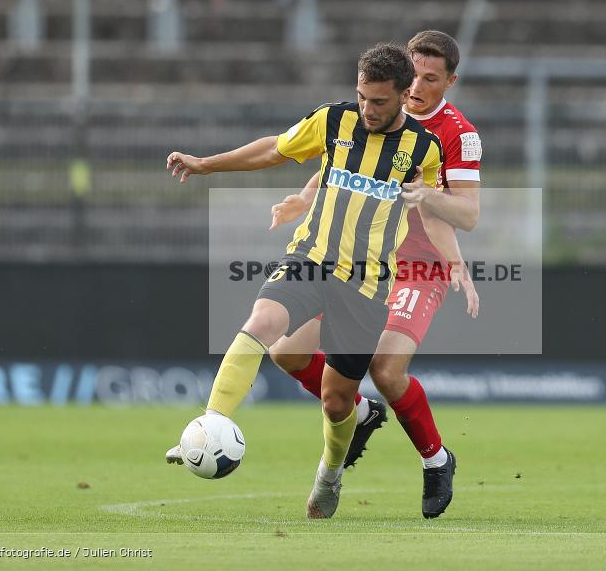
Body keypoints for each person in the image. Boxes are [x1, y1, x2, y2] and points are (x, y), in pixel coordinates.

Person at [165, 43, 475, 518]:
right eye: (361, 97)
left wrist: (454, 262)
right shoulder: (335, 121)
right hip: (310, 259)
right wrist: (207, 164)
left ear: (400, 95)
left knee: (336, 400)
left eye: (378, 102)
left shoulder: (424, 148)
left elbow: (430, 213)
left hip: (367, 285)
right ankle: (213, 421)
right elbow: (275, 147)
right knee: (264, 322)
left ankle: (330, 474)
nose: (367, 110)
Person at [267, 30, 482, 517]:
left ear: (451, 81)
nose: (418, 88)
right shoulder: (376, 108)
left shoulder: (457, 135)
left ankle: (436, 460)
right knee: (286, 350)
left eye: (432, 79)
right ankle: (359, 414)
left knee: (386, 370)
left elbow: (468, 216)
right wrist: (304, 198)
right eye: (415, 75)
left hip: (418, 265)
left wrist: (429, 199)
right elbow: (350, 159)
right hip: (356, 257)